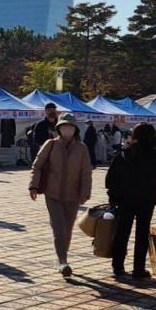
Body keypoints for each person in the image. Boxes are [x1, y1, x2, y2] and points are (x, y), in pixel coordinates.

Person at [28, 112, 93, 278]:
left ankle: (62, 258)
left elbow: (86, 172)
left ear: (75, 129)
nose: (67, 129)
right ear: (59, 128)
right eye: (64, 125)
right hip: (53, 194)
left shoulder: (82, 148)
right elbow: (37, 166)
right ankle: (63, 260)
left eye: (70, 126)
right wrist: (33, 186)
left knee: (68, 229)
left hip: (73, 196)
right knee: (59, 229)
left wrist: (85, 192)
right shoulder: (50, 145)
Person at [105, 123, 156, 280]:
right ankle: (138, 269)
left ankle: (118, 266)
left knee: (122, 231)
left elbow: (111, 175)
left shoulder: (124, 151)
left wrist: (112, 194)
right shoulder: (153, 152)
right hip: (146, 198)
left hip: (124, 197)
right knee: (142, 233)